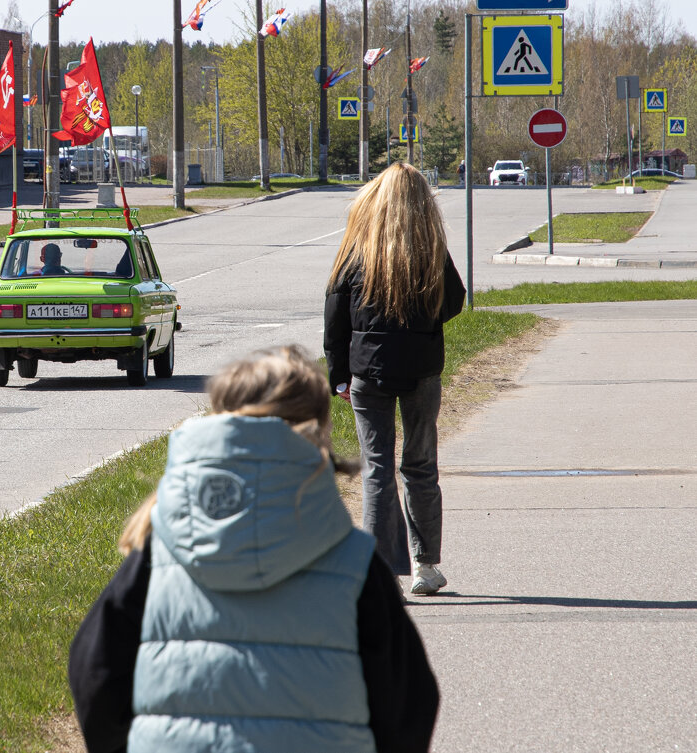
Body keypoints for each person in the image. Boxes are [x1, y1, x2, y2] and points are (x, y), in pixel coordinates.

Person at [68, 345, 439, 753]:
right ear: (317, 430)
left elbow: (94, 672)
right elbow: (410, 703)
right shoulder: (352, 561)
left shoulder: (160, 552)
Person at [323, 162, 465, 596]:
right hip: (422, 371)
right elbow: (455, 300)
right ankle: (425, 567)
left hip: (367, 371)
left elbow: (335, 315)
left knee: (377, 467)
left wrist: (338, 374)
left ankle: (380, 570)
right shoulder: (429, 250)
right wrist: (422, 325)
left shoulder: (356, 250)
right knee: (420, 466)